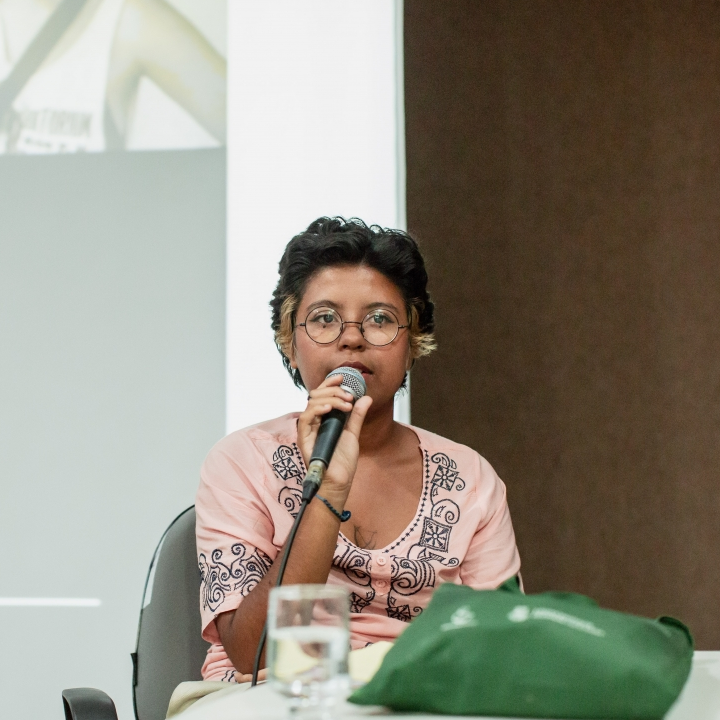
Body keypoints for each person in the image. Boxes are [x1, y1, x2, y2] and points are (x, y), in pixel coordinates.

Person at [195, 217, 521, 683]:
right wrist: (327, 492)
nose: (352, 338)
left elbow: (504, 647)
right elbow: (253, 652)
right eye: (325, 318)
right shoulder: (240, 461)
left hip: (413, 695)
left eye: (380, 319)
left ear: (413, 343)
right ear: (290, 344)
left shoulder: (471, 478)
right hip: (270, 695)